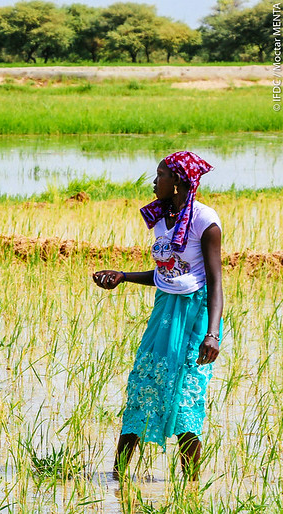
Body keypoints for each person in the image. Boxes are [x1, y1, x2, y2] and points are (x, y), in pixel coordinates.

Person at [92, 151, 223, 481]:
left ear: (178, 182)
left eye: (160, 175)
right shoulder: (163, 219)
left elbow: (216, 280)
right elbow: (166, 274)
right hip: (165, 311)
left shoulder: (206, 222)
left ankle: (189, 486)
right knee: (144, 384)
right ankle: (118, 478)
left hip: (195, 316)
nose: (154, 182)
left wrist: (212, 333)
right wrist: (123, 276)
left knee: (184, 392)